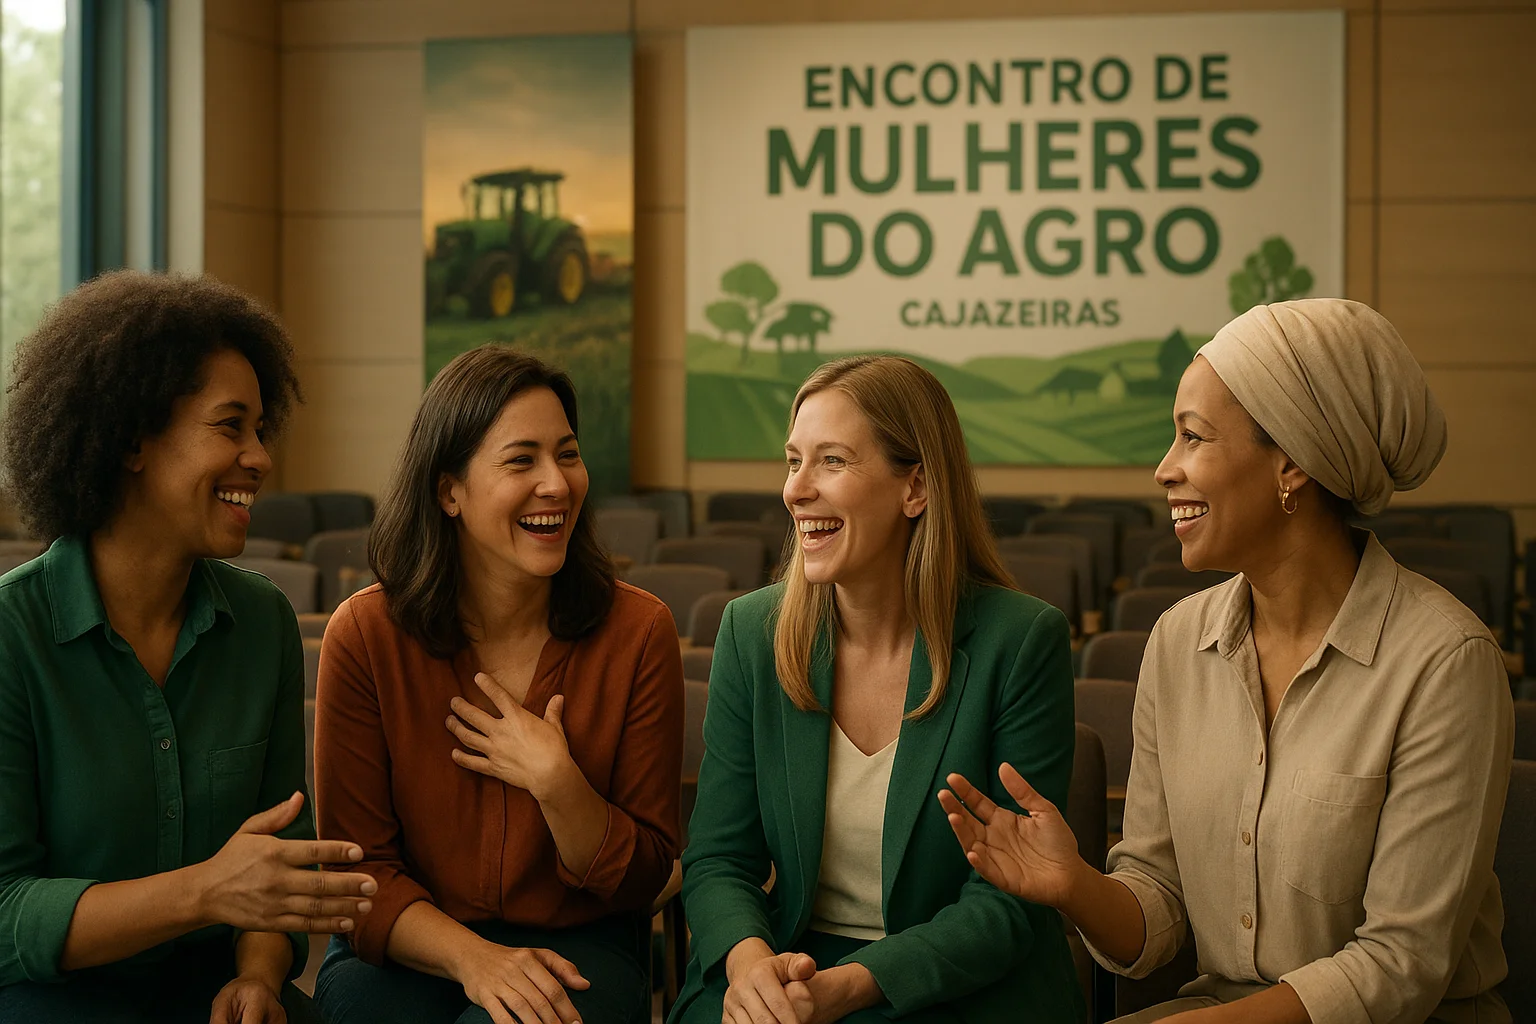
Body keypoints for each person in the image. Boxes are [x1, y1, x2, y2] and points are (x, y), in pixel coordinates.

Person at [941, 299, 1514, 1024]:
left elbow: (1400, 968)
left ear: (1293, 464)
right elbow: (1158, 908)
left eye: (1192, 438)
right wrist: (1073, 884)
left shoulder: (1445, 662)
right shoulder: (1178, 644)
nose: (1163, 470)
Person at [0, 271, 376, 1024]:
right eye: (230, 425)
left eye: (260, 430)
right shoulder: (14, 635)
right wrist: (206, 891)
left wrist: (260, 977)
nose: (260, 457)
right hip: (57, 1000)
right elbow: (7, 915)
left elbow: (279, 857)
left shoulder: (262, 622)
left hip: (216, 994)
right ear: (132, 439)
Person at [670, 356, 1082, 1024]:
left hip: (956, 980)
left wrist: (846, 988)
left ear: (915, 488)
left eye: (831, 461)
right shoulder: (751, 632)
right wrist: (751, 969)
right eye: (792, 460)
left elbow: (1006, 903)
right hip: (792, 960)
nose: (796, 490)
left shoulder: (1022, 641)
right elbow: (720, 857)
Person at [312, 346, 683, 1024]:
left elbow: (649, 877)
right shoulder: (364, 634)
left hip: (581, 944)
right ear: (448, 490)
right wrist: (474, 959)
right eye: (522, 460)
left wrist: (559, 786)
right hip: (404, 944)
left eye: (567, 455)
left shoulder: (638, 631)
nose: (558, 483)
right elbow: (355, 874)